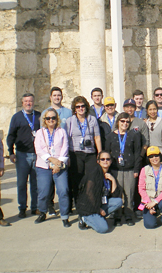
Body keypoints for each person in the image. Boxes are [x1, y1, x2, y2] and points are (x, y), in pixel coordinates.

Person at [34, 108, 71, 227]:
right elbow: (38, 149)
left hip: (59, 166)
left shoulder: (62, 132)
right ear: (44, 120)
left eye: (53, 118)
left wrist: (58, 164)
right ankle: (43, 212)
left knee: (63, 190)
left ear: (57, 119)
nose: (51, 120)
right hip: (44, 165)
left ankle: (65, 215)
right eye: (48, 118)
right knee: (43, 191)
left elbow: (65, 148)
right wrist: (51, 160)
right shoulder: (40, 132)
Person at [7, 93, 41, 218]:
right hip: (22, 155)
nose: (28, 103)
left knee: (35, 183)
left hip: (36, 154)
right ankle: (22, 207)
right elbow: (11, 135)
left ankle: (35, 207)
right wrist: (11, 152)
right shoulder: (17, 117)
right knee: (22, 183)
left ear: (33, 102)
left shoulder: (38, 116)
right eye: (26, 101)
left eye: (30, 101)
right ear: (22, 103)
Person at [105, 112, 142, 226]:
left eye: (127, 122)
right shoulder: (111, 136)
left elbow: (137, 154)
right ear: (118, 122)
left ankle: (128, 215)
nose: (125, 124)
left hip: (129, 170)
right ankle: (117, 216)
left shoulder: (133, 135)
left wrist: (136, 170)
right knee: (116, 194)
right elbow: (107, 153)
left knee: (129, 194)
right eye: (122, 121)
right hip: (115, 170)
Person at [40, 86, 72, 216]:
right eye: (54, 95)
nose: (57, 97)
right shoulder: (45, 112)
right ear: (50, 97)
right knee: (48, 185)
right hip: (49, 155)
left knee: (63, 183)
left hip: (63, 152)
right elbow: (42, 134)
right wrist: (50, 158)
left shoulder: (68, 112)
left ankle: (66, 208)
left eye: (59, 95)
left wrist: (63, 158)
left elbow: (69, 132)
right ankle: (50, 205)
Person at [65, 96, 101, 209]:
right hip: (75, 153)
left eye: (83, 106)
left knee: (91, 180)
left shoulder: (92, 119)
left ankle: (90, 203)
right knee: (77, 180)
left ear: (86, 107)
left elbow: (97, 137)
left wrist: (99, 153)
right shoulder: (70, 121)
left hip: (90, 153)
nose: (81, 108)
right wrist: (67, 156)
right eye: (78, 107)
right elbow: (66, 139)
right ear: (74, 109)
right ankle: (79, 204)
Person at [77, 151, 123, 233]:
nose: (105, 161)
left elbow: (115, 195)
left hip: (100, 203)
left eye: (108, 159)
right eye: (102, 159)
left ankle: (98, 218)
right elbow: (89, 194)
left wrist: (113, 180)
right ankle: (84, 218)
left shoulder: (109, 173)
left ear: (111, 161)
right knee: (103, 229)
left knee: (118, 201)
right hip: (89, 208)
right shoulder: (94, 174)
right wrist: (98, 209)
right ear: (98, 161)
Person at [138, 146, 162, 229]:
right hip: (148, 200)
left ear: (160, 156)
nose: (154, 158)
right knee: (150, 225)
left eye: (156, 155)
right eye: (151, 156)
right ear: (148, 159)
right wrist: (149, 204)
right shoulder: (144, 170)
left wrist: (155, 202)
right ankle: (154, 213)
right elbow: (141, 189)